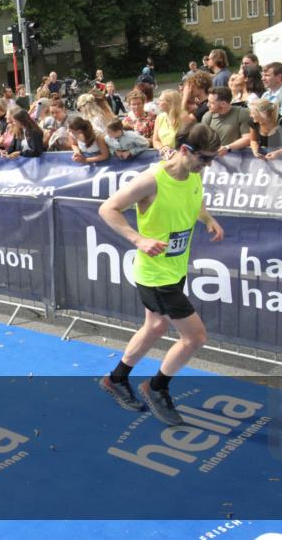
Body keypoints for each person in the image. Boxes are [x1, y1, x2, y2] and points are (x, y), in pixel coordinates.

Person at [98, 123, 225, 426]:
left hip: (175, 268)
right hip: (155, 275)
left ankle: (116, 379)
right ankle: (156, 388)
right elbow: (108, 209)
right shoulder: (152, 180)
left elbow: (194, 201)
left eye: (212, 159)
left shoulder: (195, 174)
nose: (208, 165)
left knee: (154, 327)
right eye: (205, 159)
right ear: (185, 150)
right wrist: (139, 239)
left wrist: (207, 218)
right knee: (195, 338)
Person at [202, 87, 251, 154]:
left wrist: (227, 148)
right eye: (208, 101)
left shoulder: (242, 113)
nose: (207, 105)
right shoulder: (208, 116)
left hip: (236, 158)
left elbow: (248, 138)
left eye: (211, 103)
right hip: (213, 159)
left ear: (223, 104)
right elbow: (202, 140)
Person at [151, 90, 186, 158]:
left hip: (180, 156)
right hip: (164, 156)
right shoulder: (160, 117)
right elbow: (155, 140)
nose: (158, 103)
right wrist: (162, 148)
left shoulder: (183, 118)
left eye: (161, 100)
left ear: (170, 103)